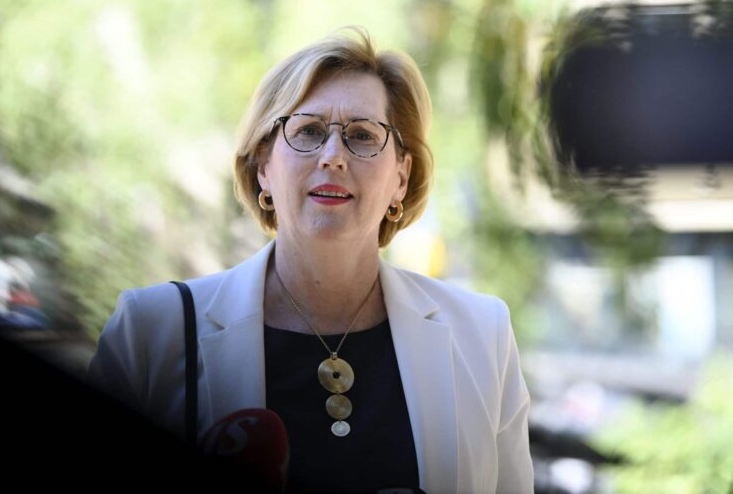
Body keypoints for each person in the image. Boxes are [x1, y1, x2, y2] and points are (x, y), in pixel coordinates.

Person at [87, 27, 534, 494]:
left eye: (362, 135)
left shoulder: (482, 335)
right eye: (308, 131)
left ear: (401, 177)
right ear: (263, 166)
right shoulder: (150, 335)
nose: (333, 157)